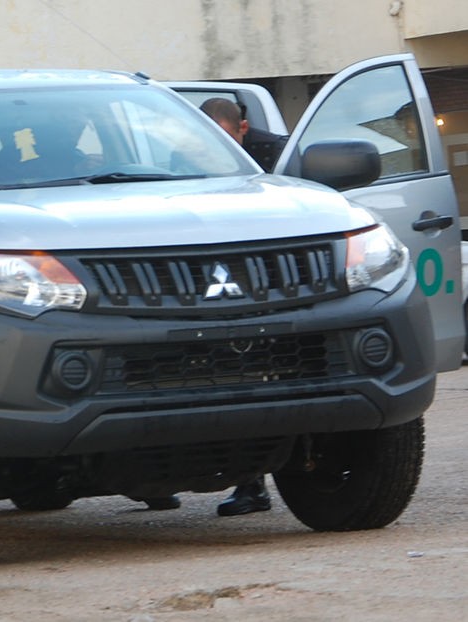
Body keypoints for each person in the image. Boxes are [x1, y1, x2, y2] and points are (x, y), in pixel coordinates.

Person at [199, 96, 277, 517]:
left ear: (243, 129)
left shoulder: (275, 156)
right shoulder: (191, 160)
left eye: (226, 138)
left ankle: (254, 484)